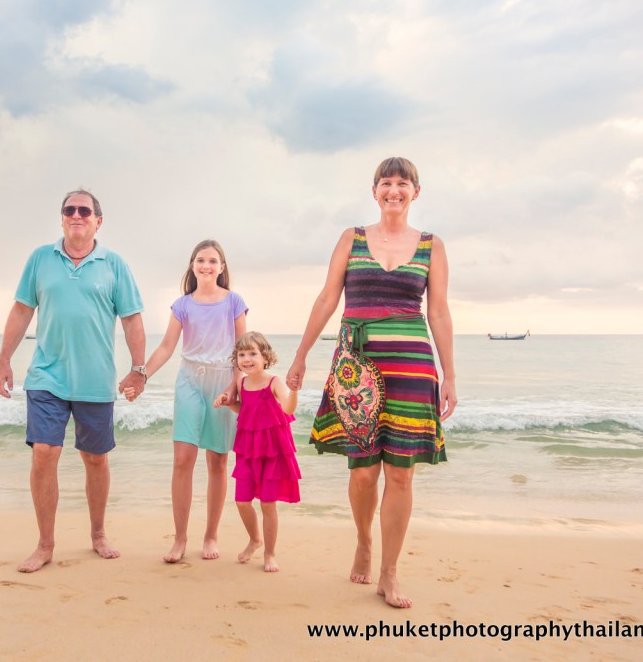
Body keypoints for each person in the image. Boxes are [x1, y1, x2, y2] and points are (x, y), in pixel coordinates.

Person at [285, 157, 456, 607]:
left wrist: (450, 374)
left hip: (412, 367)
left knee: (400, 473)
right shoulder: (352, 238)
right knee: (363, 473)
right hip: (355, 367)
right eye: (386, 182)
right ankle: (363, 540)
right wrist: (301, 354)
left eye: (403, 183)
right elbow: (327, 297)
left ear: (415, 191)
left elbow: (437, 311)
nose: (394, 190)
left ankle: (390, 571)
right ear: (374, 190)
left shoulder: (432, 245)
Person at [0, 189, 148, 573]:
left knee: (95, 458)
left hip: (96, 379)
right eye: (69, 210)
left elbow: (132, 319)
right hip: (47, 375)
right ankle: (45, 544)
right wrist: (4, 360)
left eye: (85, 210)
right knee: (44, 453)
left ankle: (98, 534)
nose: (76, 215)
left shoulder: (114, 264)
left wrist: (139, 368)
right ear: (62, 218)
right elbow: (21, 310)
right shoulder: (40, 259)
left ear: (98, 220)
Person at [128, 240, 247, 563]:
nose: (206, 266)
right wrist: (142, 375)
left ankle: (210, 535)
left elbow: (242, 349)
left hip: (222, 382)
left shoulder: (234, 302)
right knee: (182, 459)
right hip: (190, 381)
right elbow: (167, 347)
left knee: (218, 461)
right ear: (192, 266)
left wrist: (236, 387)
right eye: (200, 260)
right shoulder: (182, 305)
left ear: (222, 268)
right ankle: (179, 538)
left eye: (212, 261)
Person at [215, 331, 301, 573]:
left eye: (253, 353)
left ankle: (270, 553)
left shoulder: (274, 382)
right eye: (242, 354)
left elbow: (287, 407)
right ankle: (255, 539)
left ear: (265, 357)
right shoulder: (242, 383)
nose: (247, 359)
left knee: (267, 503)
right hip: (248, 450)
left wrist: (294, 391)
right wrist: (227, 401)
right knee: (242, 501)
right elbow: (245, 411)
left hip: (273, 451)